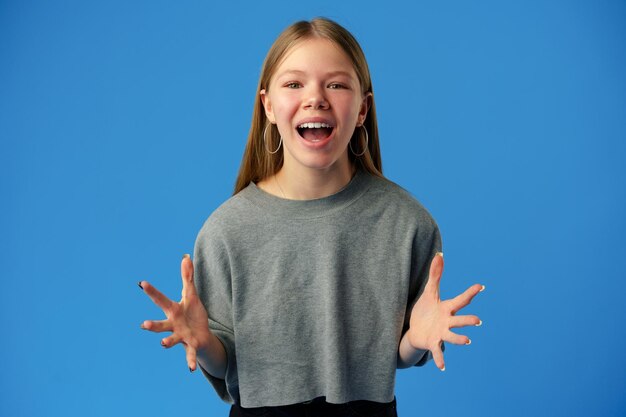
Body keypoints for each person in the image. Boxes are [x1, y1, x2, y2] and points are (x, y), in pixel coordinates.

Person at [138, 17, 484, 417]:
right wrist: (205, 342)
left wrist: (414, 341)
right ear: (268, 106)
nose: (316, 98)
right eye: (294, 83)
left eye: (336, 84)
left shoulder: (407, 224)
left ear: (362, 109)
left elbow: (395, 356)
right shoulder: (226, 231)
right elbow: (228, 364)